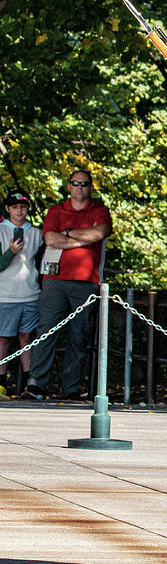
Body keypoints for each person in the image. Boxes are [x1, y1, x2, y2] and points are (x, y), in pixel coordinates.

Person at [24, 169, 112, 400]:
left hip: (87, 282)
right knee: (45, 332)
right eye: (76, 183)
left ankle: (71, 389)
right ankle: (36, 385)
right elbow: (50, 239)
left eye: (85, 184)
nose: (80, 187)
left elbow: (100, 233)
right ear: (69, 186)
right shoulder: (56, 211)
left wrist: (67, 235)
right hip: (53, 280)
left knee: (79, 336)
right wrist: (81, 240)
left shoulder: (100, 211)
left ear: (90, 187)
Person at [0, 189, 43, 396]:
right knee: (4, 339)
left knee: (27, 338)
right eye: (15, 207)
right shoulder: (0, 231)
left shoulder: (36, 233)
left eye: (23, 207)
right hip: (4, 294)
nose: (19, 211)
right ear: (7, 208)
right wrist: (11, 253)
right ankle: (1, 382)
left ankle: (29, 383)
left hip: (30, 293)